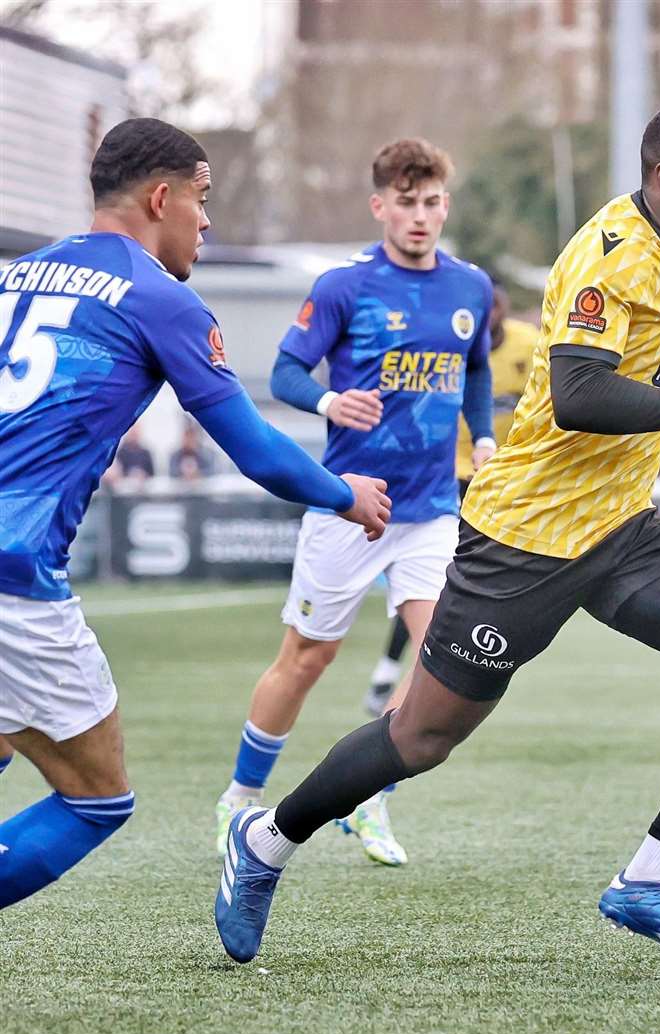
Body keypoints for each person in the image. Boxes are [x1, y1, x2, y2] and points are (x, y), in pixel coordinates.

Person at [216, 100, 660, 964]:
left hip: (619, 527)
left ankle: (648, 878)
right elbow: (578, 394)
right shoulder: (613, 258)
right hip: (523, 537)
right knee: (421, 738)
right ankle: (264, 841)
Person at [0, 118, 389, 909]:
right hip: (14, 574)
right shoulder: (158, 298)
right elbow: (255, 449)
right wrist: (347, 494)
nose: (207, 223)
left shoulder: (16, 275)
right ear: (161, 196)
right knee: (95, 798)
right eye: (203, 201)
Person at [212, 138, 495, 867]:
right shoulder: (345, 286)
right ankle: (239, 801)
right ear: (379, 207)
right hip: (348, 504)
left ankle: (371, 797)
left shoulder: (470, 287)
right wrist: (331, 399)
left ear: (445, 205)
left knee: (438, 659)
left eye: (432, 203)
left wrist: (486, 436)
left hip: (431, 508)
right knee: (307, 659)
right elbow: (282, 370)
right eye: (406, 204)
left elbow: (478, 371)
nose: (421, 217)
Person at [359, 283, 536, 719]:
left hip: (504, 478)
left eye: (496, 304)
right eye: (483, 305)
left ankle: (469, 667)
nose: (489, 312)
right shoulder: (447, 342)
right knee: (434, 581)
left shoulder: (529, 346)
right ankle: (393, 669)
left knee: (492, 581)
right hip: (448, 476)